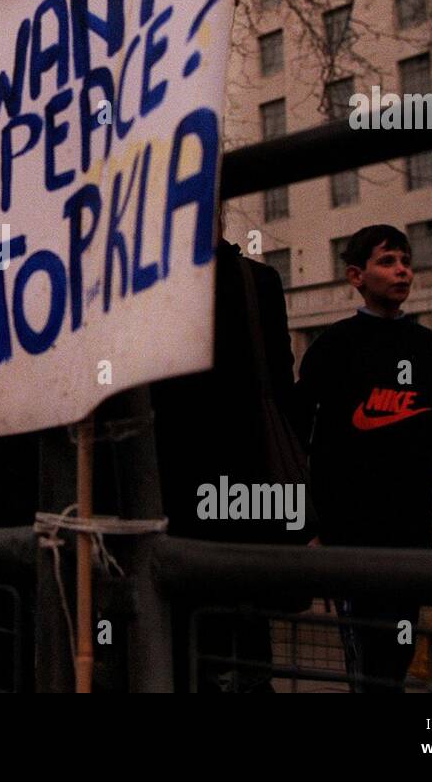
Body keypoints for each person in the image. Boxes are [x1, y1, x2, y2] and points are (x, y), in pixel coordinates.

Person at [294, 223, 432, 692]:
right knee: (368, 655)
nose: (401, 271)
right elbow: (296, 433)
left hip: (410, 528)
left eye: (405, 261)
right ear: (356, 275)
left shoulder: (425, 346)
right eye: (387, 261)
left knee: (400, 648)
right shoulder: (333, 345)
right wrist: (307, 525)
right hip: (350, 533)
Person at [152, 237, 309, 693]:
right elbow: (282, 389)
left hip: (174, 478)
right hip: (248, 477)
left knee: (187, 634)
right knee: (250, 627)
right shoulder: (256, 280)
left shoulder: (148, 283)